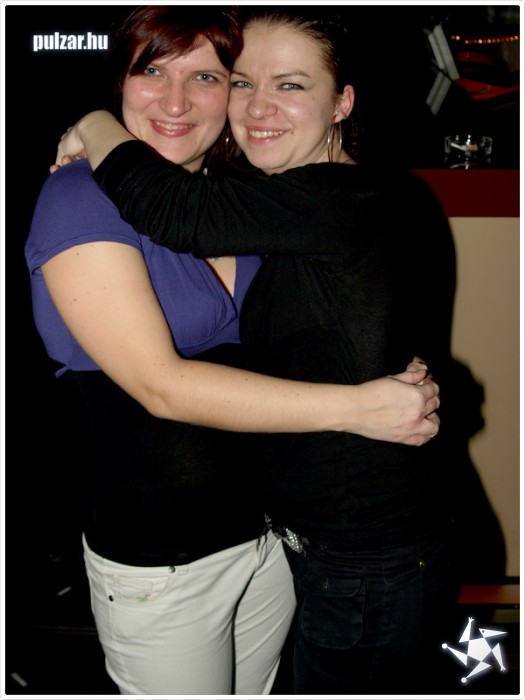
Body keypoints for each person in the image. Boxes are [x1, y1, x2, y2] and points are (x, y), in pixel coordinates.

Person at [27, 6, 441, 696]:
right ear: (120, 81)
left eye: (208, 77)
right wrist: (361, 406)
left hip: (274, 543)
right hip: (165, 559)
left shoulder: (247, 200)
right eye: (151, 71)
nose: (176, 101)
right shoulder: (81, 197)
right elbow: (160, 386)